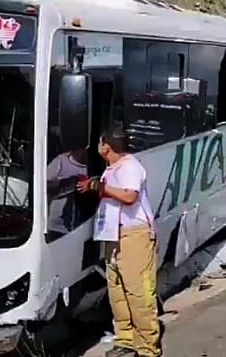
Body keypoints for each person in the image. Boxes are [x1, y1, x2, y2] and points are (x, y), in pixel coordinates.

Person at [78, 129, 160, 357]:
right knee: (118, 291)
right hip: (112, 235)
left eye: (99, 142)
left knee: (138, 292)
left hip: (134, 235)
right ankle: (126, 340)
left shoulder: (130, 166)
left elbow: (129, 196)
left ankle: (147, 348)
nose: (97, 146)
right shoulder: (112, 168)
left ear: (106, 147)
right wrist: (94, 185)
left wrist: (101, 188)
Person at [46, 147, 88, 233]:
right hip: (57, 227)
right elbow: (43, 185)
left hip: (83, 226)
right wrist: (67, 182)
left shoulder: (97, 166)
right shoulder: (61, 161)